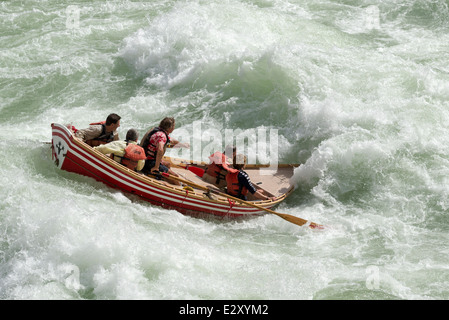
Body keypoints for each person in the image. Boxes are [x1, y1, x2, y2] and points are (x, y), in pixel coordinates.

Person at [140, 117, 181, 184]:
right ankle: (177, 188)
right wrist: (156, 167)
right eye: (173, 126)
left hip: (143, 158)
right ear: (170, 128)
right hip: (149, 163)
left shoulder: (156, 131)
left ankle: (163, 178)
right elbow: (160, 150)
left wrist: (182, 144)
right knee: (175, 177)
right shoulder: (162, 136)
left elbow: (171, 140)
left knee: (167, 164)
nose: (174, 128)